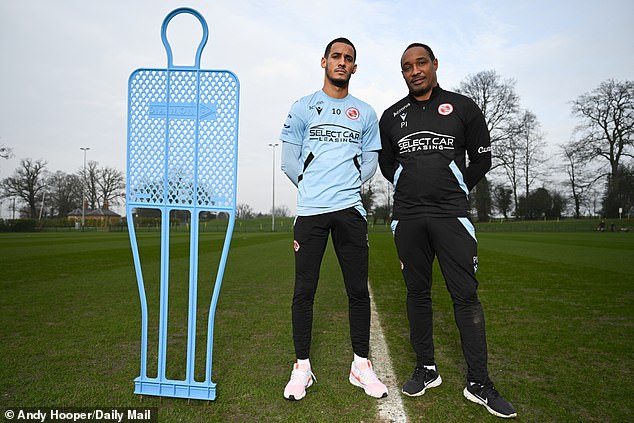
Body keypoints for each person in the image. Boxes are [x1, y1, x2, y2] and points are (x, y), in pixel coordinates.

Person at [378, 43, 517, 419]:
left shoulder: (463, 106)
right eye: (407, 66)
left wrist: (453, 186)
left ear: (435, 65)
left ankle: (479, 383)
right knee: (417, 294)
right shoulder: (391, 116)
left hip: (452, 217)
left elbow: (483, 158)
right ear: (403, 73)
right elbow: (389, 167)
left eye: (421, 63)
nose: (415, 70)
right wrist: (414, 187)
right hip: (407, 218)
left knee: (466, 297)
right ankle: (426, 368)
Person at [279, 37, 387, 401]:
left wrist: (346, 185)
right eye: (336, 56)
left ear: (354, 68)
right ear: (323, 61)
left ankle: (360, 365)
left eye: (349, 59)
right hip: (310, 213)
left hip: (350, 212)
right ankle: (302, 368)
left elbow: (370, 161)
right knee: (304, 291)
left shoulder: (366, 113)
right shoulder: (303, 106)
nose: (342, 62)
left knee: (357, 290)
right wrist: (311, 186)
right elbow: (289, 161)